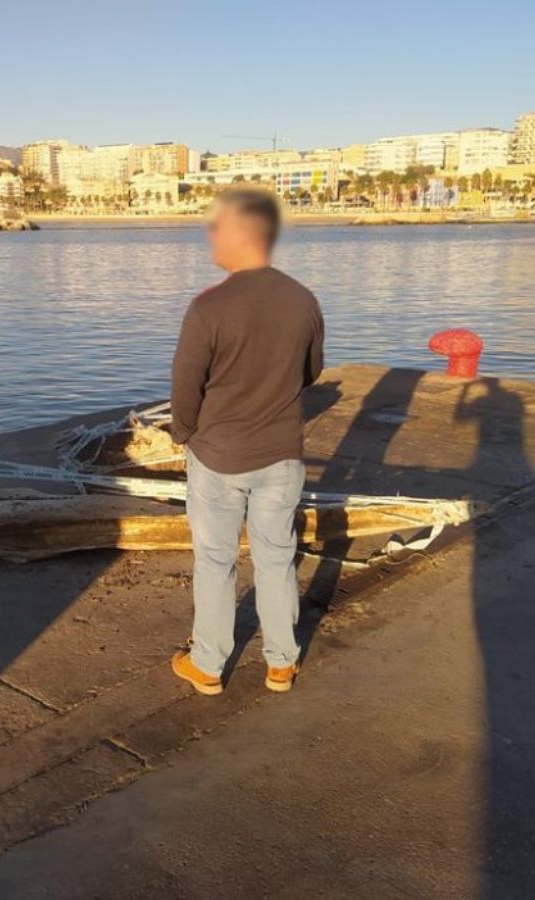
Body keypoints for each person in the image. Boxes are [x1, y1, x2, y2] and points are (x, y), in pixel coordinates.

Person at [168, 189, 325, 695]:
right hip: (281, 453)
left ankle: (209, 666)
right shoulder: (303, 299)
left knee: (215, 561)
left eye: (218, 228)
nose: (211, 236)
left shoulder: (208, 307)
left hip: (218, 455)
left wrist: (183, 433)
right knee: (277, 557)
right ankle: (281, 662)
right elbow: (312, 370)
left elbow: (186, 383)